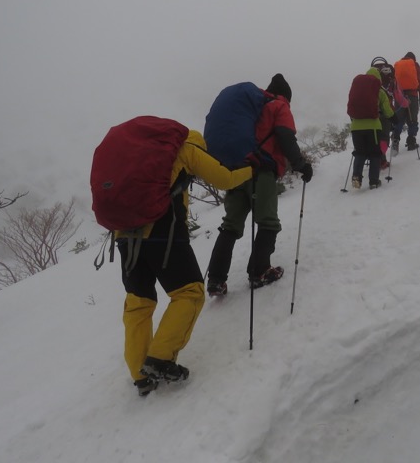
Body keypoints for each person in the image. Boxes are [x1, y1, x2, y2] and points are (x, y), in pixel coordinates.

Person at [118, 129, 254, 396]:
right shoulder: (186, 149)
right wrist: (251, 170)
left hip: (124, 235)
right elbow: (225, 179)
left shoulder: (142, 153)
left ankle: (140, 375)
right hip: (163, 233)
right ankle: (159, 358)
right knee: (189, 292)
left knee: (138, 303)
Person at [206, 73, 313, 298]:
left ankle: (216, 280)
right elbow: (285, 136)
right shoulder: (279, 106)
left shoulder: (255, 107)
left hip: (235, 171)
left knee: (230, 226)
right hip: (261, 172)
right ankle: (260, 271)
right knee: (269, 222)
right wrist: (301, 164)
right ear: (286, 96)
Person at [348, 66, 395, 189]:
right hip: (373, 127)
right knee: (375, 153)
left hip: (356, 128)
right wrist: (394, 119)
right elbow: (388, 111)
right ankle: (373, 181)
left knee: (359, 153)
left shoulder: (357, 90)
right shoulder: (379, 92)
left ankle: (356, 177)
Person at [392, 51, 420, 151]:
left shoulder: (397, 66)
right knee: (412, 119)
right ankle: (411, 141)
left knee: (398, 119)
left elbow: (393, 82)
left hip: (400, 97)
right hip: (412, 96)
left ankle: (395, 140)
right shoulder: (416, 66)